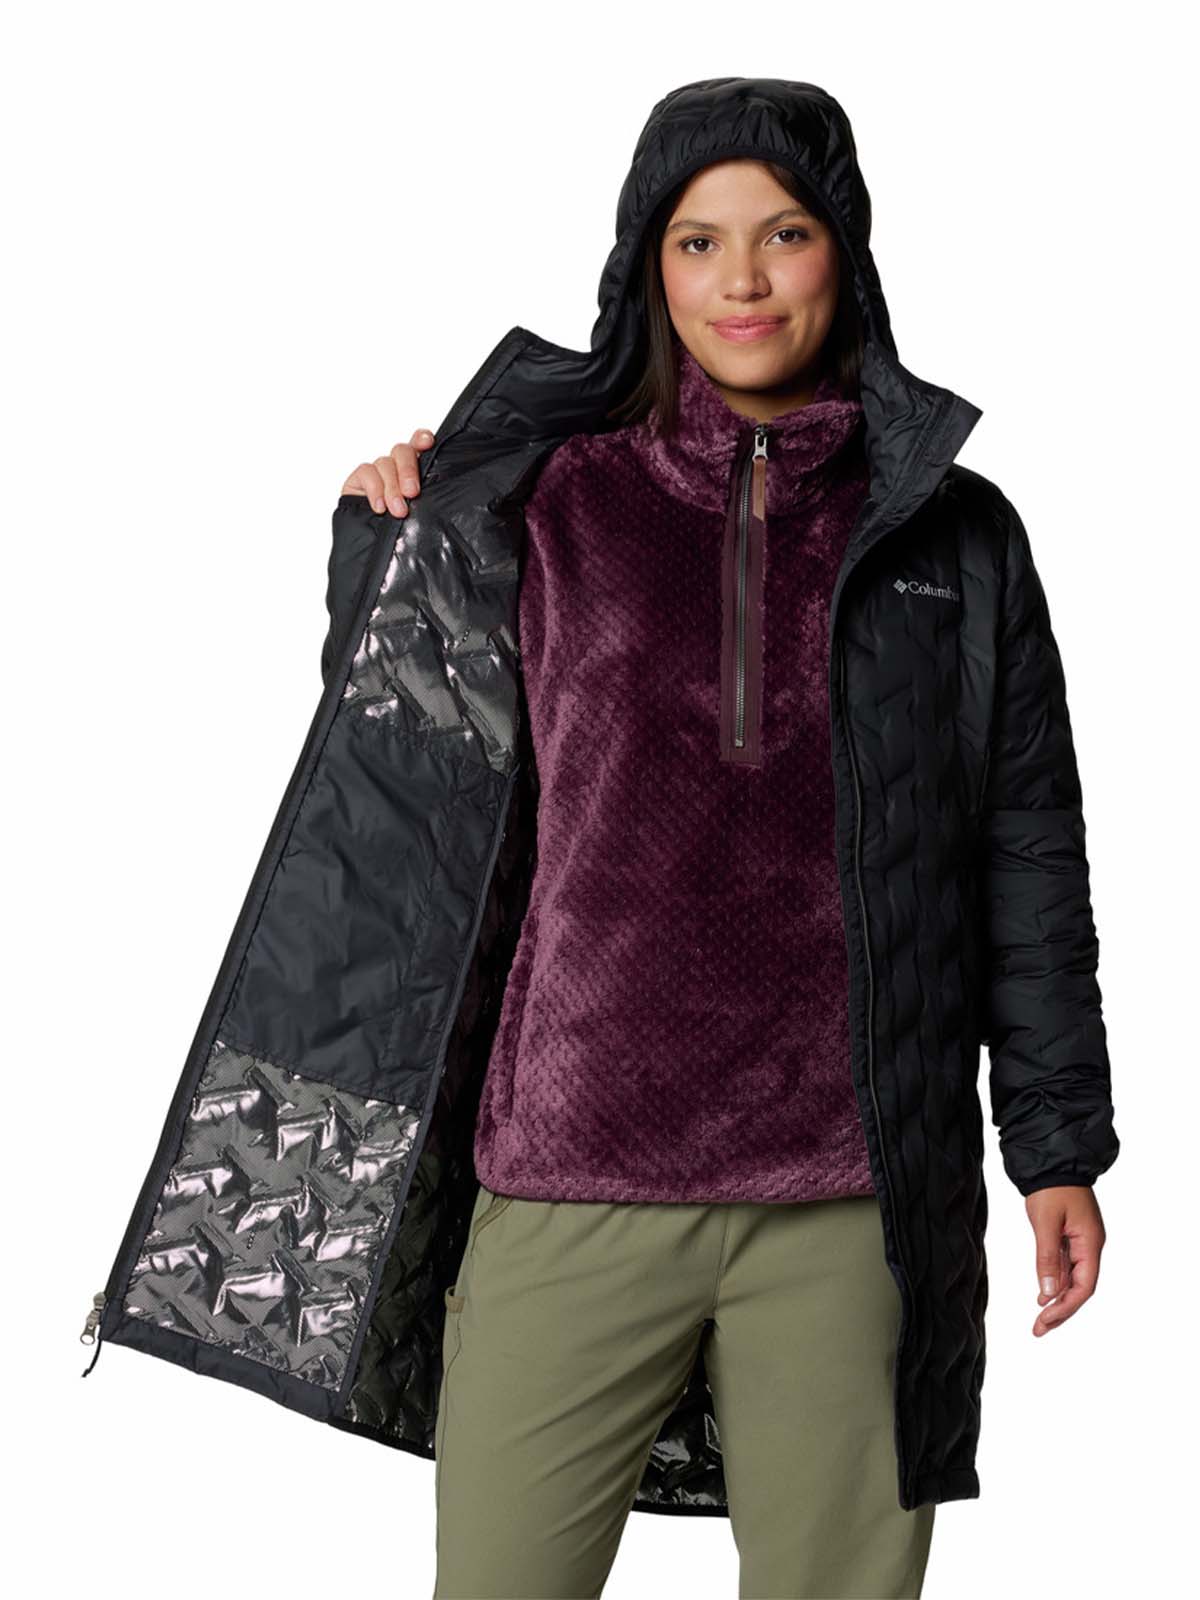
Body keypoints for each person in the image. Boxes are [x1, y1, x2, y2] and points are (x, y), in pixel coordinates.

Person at [90, 78, 1117, 1600]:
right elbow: (407, 780)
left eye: (784, 234)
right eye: (698, 243)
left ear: (847, 251)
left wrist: (1056, 1145)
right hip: (568, 1172)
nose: (743, 280)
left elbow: (1025, 854)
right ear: (648, 265)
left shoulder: (953, 536)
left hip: (852, 1195)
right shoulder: (549, 501)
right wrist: (388, 547)